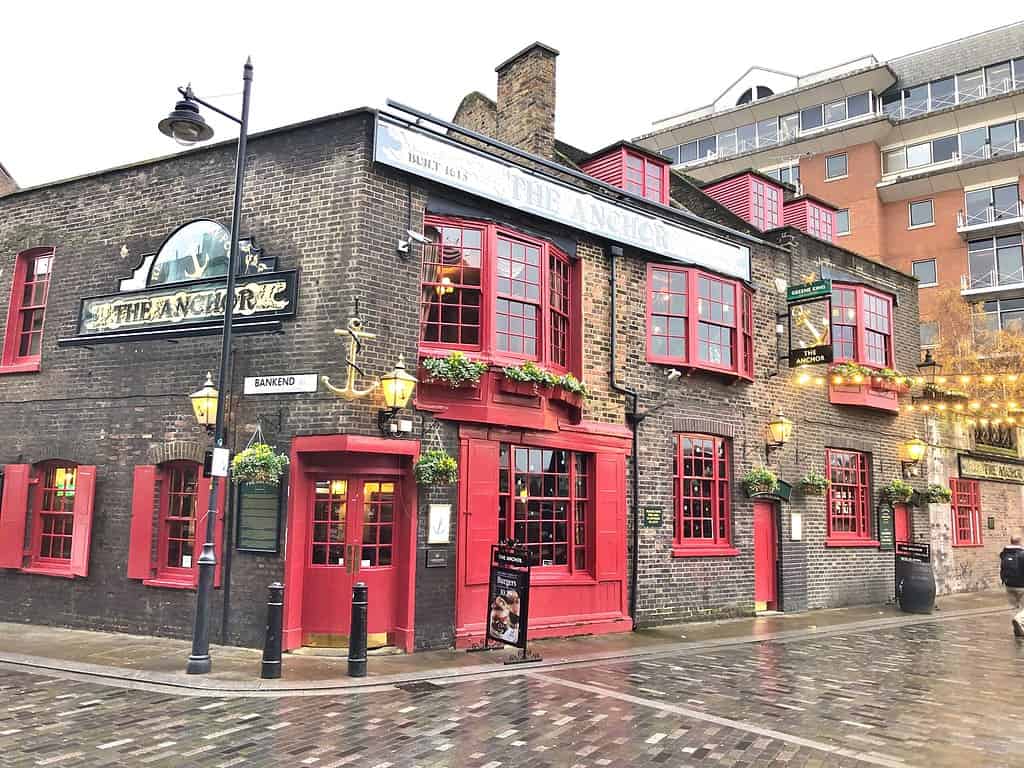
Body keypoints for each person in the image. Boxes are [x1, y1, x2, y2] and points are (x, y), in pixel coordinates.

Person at [999, 534, 1024, 637]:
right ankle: (1018, 620)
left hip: (1009, 585)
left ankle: (1019, 629)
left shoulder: (1004, 554)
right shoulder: (1022, 554)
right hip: (1021, 585)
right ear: (1020, 541)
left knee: (1016, 607)